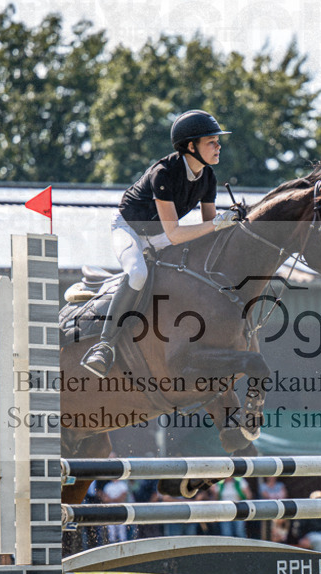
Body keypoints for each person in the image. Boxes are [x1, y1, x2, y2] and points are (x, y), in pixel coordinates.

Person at [80, 109, 239, 378]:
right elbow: (176, 234)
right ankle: (104, 345)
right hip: (130, 229)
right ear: (191, 146)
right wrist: (219, 223)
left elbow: (210, 231)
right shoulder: (164, 173)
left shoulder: (208, 177)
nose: (218, 146)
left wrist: (236, 224)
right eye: (211, 141)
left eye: (217, 141)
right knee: (138, 273)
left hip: (161, 235)